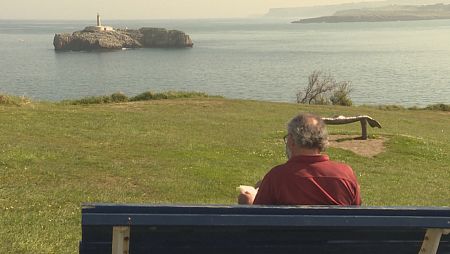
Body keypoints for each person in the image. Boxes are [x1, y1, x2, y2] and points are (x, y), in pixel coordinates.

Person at [238, 113, 361, 206]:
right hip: (337, 239)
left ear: (291, 141)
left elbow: (260, 220)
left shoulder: (277, 177)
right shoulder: (345, 175)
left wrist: (249, 201)